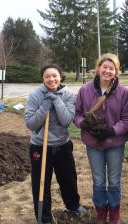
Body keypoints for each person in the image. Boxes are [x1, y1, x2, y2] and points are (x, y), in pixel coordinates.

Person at [74, 53, 128, 224]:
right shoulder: (85, 90)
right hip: (93, 144)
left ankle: (114, 213)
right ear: (98, 68)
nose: (107, 71)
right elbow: (77, 113)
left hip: (114, 143)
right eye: (104, 67)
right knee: (99, 181)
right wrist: (83, 124)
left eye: (111, 68)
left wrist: (112, 131)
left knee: (114, 181)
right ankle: (101, 212)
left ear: (116, 71)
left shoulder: (123, 92)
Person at [24, 64, 86, 224]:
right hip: (39, 146)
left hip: (62, 145)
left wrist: (56, 101)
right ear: (42, 78)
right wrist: (44, 108)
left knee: (68, 179)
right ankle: (44, 218)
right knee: (40, 183)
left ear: (60, 76)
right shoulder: (35, 96)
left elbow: (66, 121)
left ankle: (73, 205)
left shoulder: (67, 95)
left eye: (54, 75)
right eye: (47, 76)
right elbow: (30, 124)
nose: (51, 79)